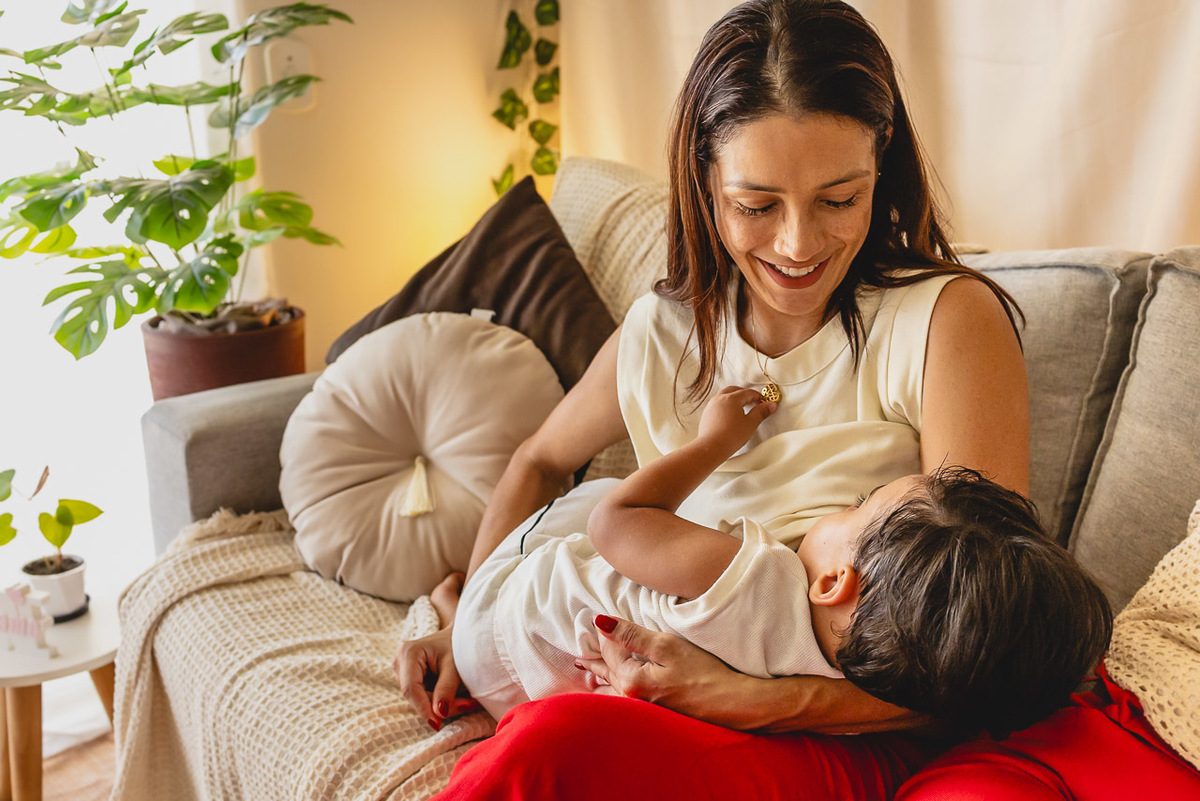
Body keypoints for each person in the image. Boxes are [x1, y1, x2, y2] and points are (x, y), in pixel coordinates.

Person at [398, 0, 1036, 796]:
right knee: (550, 726)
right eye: (756, 205)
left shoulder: (946, 320)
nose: (799, 245)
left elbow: (987, 639)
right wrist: (465, 629)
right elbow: (540, 460)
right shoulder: (663, 332)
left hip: (849, 719)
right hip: (661, 684)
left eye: (840, 198)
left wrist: (752, 699)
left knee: (550, 743)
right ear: (704, 181)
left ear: (883, 158)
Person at [448, 383, 1111, 739]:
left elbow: (616, 523)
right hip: (537, 680)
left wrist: (713, 442)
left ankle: (454, 607)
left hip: (499, 631)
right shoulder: (881, 676)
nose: (838, 508)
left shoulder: (753, 577)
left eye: (854, 505)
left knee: (591, 495)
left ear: (830, 582)